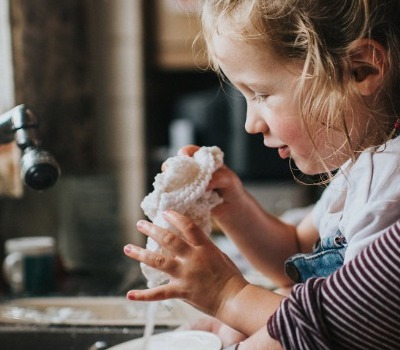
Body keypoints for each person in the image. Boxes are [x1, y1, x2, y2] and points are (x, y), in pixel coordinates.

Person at [123, 0, 400, 348]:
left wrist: (226, 294)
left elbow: (349, 332)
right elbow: (295, 250)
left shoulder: (391, 186)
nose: (250, 124)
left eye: (262, 94)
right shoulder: (364, 167)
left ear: (361, 70)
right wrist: (233, 206)